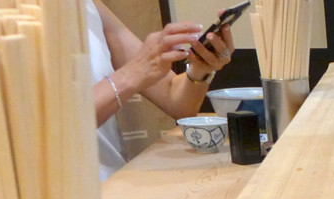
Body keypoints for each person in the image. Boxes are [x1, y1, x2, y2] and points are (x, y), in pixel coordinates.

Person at [86, 0, 235, 179]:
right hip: (60, 196)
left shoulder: (88, 5)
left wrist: (201, 68)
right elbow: (50, 124)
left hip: (110, 185)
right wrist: (131, 75)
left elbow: (174, 99)